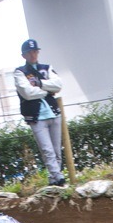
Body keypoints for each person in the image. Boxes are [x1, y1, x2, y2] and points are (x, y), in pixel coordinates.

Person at [14, 38, 66, 186]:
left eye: (35, 51)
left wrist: (40, 84)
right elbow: (27, 92)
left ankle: (53, 179)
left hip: (53, 112)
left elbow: (58, 85)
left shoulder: (47, 67)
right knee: (47, 149)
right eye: (29, 52)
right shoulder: (20, 72)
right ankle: (59, 178)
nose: (33, 54)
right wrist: (47, 91)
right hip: (36, 116)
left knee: (56, 150)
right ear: (24, 55)